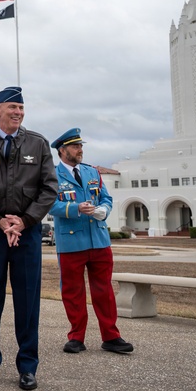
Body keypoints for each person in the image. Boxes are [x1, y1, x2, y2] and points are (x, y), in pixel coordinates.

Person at [0, 87, 57, 391]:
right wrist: (0, 220)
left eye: (21, 108)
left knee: (27, 299)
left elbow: (49, 188)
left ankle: (27, 366)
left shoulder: (38, 143)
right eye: (12, 107)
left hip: (27, 232)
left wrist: (24, 221)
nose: (18, 113)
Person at [50, 128, 133, 355]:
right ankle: (76, 337)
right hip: (71, 242)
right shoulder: (52, 175)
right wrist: (75, 208)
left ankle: (111, 336)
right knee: (73, 292)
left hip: (99, 240)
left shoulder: (92, 172)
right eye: (75, 146)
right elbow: (49, 204)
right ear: (62, 150)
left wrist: (104, 209)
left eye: (80, 146)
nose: (80, 150)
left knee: (104, 290)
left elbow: (106, 197)